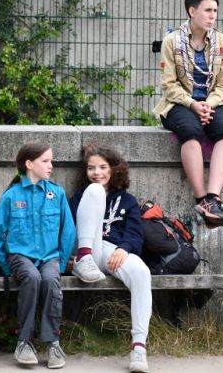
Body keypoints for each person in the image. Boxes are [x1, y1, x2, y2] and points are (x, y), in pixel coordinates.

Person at [153, 0, 223, 229]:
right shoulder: (172, 41)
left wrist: (209, 104)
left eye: (215, 11)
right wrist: (192, 104)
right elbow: (169, 85)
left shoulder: (222, 42)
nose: (213, 16)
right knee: (190, 132)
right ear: (192, 11)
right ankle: (201, 199)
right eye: (208, 10)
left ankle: (213, 197)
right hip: (179, 103)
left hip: (212, 102)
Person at [0, 143, 75, 369]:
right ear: (29, 164)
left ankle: (52, 342)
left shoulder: (56, 193)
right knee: (32, 277)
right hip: (20, 256)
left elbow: (68, 232)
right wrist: (7, 267)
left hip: (49, 257)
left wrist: (60, 264)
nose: (51, 165)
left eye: (51, 160)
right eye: (45, 161)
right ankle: (23, 342)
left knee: (50, 279)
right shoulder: (11, 196)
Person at [69, 144, 151, 373]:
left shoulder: (128, 201)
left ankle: (139, 347)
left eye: (103, 167)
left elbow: (135, 234)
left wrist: (124, 249)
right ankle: (84, 259)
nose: (97, 173)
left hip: (114, 253)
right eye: (91, 168)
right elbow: (67, 230)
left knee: (142, 273)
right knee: (95, 190)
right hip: (87, 250)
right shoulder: (80, 196)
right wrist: (68, 256)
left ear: (114, 169)